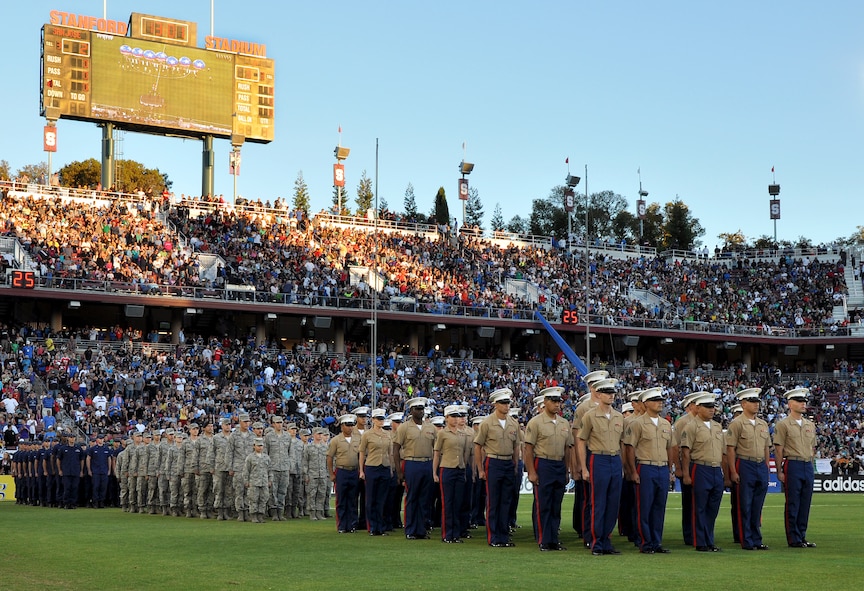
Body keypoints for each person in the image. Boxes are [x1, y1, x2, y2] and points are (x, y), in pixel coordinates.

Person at [623, 387, 674, 554]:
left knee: (659, 507)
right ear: (645, 403)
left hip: (661, 467)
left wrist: (669, 469)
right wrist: (632, 471)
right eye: (656, 401)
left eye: (661, 401)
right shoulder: (637, 423)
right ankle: (645, 542)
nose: (660, 403)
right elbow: (630, 448)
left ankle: (656, 542)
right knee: (644, 507)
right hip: (645, 465)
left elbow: (669, 448)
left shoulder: (666, 423)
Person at [577, 378, 624, 555]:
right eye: (607, 392)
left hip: (614, 459)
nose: (611, 396)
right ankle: (596, 543)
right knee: (598, 503)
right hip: (598, 459)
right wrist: (584, 467)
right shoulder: (589, 416)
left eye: (612, 393)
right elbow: (581, 441)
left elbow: (623, 443)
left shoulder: (619, 416)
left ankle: (606, 541)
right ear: (598, 394)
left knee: (613, 504)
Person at [524, 386, 574, 551]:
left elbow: (567, 448)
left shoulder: (564, 423)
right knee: (543, 504)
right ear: (545, 402)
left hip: (559, 464)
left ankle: (553, 539)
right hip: (543, 463)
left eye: (558, 401)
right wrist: (531, 471)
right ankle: (544, 540)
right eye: (553, 401)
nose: (557, 404)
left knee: (556, 505)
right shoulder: (536, 422)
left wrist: (567, 469)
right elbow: (529, 448)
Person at [725, 387, 771, 550]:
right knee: (745, 505)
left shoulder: (762, 424)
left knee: (757, 506)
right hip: (745, 463)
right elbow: (731, 449)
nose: (756, 405)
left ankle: (756, 539)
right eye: (752, 402)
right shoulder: (736, 424)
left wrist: (766, 467)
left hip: (760, 465)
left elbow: (766, 448)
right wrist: (733, 471)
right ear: (743, 404)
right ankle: (747, 540)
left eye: (757, 402)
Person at [474, 388, 520, 548]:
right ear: (495, 404)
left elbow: (516, 446)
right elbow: (478, 446)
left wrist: (515, 464)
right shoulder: (487, 423)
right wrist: (480, 469)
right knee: (493, 501)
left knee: (506, 500)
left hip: (508, 462)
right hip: (493, 462)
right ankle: (494, 537)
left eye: (508, 403)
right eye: (503, 403)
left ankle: (503, 535)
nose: (506, 406)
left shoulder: (513, 423)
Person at [679, 392, 724, 552]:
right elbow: (685, 452)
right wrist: (685, 473)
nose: (712, 410)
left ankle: (709, 539)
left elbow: (722, 452)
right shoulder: (691, 427)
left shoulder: (718, 426)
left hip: (715, 468)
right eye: (708, 407)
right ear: (698, 408)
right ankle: (700, 541)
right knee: (699, 506)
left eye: (713, 407)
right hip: (700, 467)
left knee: (713, 507)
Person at [773, 387, 817, 548]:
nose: (803, 404)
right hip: (793, 463)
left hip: (807, 464)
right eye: (799, 401)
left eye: (804, 401)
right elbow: (779, 449)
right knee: (793, 503)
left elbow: (812, 448)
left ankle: (802, 535)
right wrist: (779, 470)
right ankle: (793, 538)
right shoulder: (783, 424)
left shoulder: (810, 424)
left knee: (805, 503)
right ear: (790, 404)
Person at [571, 369, 609, 541]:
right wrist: (579, 464)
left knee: (604, 499)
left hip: (606, 456)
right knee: (589, 499)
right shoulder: (583, 408)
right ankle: (588, 534)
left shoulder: (609, 408)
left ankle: (601, 533)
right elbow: (577, 437)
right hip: (590, 454)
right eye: (598, 386)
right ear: (592, 387)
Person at [393, 397, 437, 540]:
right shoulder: (404, 427)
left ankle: (421, 529)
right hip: (412, 462)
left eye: (422, 409)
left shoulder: (431, 428)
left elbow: (436, 449)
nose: (420, 412)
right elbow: (396, 449)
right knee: (412, 497)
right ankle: (411, 529)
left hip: (427, 463)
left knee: (425, 499)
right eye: (417, 409)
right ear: (411, 411)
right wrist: (399, 471)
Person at [433, 404, 469, 543]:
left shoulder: (462, 434)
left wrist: (464, 469)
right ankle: (447, 534)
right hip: (447, 468)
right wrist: (434, 472)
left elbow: (465, 453)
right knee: (447, 502)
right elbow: (437, 453)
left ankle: (456, 533)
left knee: (457, 502)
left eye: (457, 417)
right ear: (447, 418)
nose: (456, 419)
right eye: (453, 417)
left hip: (459, 469)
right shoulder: (442, 433)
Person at [671, 391, 701, 546]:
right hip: (688, 465)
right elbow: (675, 447)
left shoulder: (704, 421)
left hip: (701, 465)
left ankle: (700, 532)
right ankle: (689, 535)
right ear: (691, 405)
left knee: (702, 502)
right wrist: (679, 468)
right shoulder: (682, 422)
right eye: (698, 403)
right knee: (689, 502)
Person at [359, 408, 393, 536]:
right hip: (372, 467)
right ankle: (373, 526)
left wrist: (390, 469)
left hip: (384, 467)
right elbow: (362, 452)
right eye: (378, 419)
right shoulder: (367, 435)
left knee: (381, 499)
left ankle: (380, 526)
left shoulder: (387, 434)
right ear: (373, 420)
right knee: (371, 499)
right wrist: (361, 470)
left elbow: (389, 454)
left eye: (382, 419)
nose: (381, 421)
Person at [327, 414, 361, 533]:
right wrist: (331, 474)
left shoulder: (358, 439)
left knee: (353, 499)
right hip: (341, 470)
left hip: (354, 471)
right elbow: (330, 457)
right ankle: (342, 525)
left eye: (352, 425)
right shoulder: (336, 440)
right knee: (341, 500)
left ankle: (351, 525)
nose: (350, 428)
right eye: (348, 425)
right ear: (342, 426)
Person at [265, 415, 292, 521]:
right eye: (277, 422)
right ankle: (274, 512)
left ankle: (280, 512)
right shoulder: (269, 437)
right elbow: (266, 453)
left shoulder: (287, 436)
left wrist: (289, 465)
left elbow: (290, 452)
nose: (279, 424)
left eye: (281, 422)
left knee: (283, 491)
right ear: (273, 424)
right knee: (273, 491)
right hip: (273, 467)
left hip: (284, 467)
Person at [229, 413, 253, 521]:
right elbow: (229, 452)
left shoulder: (252, 436)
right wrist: (230, 467)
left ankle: (247, 511)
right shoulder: (234, 436)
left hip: (250, 468)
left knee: (249, 492)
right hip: (238, 467)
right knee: (239, 491)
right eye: (245, 422)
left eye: (248, 421)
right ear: (240, 422)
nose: (247, 423)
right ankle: (240, 512)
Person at [243, 437, 272, 523]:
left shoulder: (266, 457)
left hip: (264, 482)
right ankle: (253, 516)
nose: (260, 447)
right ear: (254, 446)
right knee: (253, 499)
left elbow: (269, 470)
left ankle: (260, 515)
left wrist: (270, 480)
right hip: (254, 482)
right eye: (258, 446)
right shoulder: (250, 457)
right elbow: (246, 470)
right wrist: (246, 481)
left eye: (261, 446)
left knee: (263, 499)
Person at [304, 427, 329, 520]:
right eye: (318, 434)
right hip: (312, 474)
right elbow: (305, 462)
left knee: (321, 493)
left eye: (321, 434)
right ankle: (312, 512)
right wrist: (305, 474)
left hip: (323, 474)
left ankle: (319, 512)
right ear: (313, 435)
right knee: (312, 494)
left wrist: (328, 473)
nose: (320, 436)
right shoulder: (309, 447)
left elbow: (328, 462)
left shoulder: (325, 447)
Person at [212, 419, 234, 520]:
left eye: (229, 424)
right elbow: (211, 453)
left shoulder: (234, 437)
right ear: (222, 426)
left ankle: (226, 511)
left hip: (231, 468)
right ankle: (219, 512)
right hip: (219, 467)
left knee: (229, 491)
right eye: (226, 425)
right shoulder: (216, 438)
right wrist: (211, 466)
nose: (228, 426)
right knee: (219, 490)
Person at [56, 433, 84, 509]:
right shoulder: (63, 448)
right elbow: (58, 459)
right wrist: (60, 470)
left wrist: (81, 470)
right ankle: (66, 503)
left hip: (75, 471)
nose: (72, 439)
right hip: (66, 471)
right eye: (71, 437)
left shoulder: (78, 448)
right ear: (68, 438)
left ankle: (73, 503)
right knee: (67, 488)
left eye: (73, 437)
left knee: (75, 488)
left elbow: (81, 460)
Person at [86, 433, 113, 508]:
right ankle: (95, 502)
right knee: (95, 487)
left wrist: (109, 469)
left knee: (103, 487)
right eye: (100, 438)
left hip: (104, 470)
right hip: (95, 471)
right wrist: (89, 470)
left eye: (102, 438)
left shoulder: (106, 448)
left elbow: (109, 459)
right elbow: (88, 459)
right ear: (97, 439)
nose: (101, 440)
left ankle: (101, 502)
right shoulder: (93, 449)